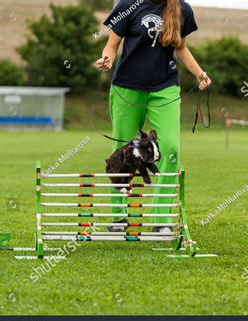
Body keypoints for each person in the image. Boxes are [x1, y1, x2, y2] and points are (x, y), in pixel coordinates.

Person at [96, 0, 212, 233]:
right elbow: (112, 45)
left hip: (165, 87)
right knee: (122, 149)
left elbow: (180, 47)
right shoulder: (127, 5)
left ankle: (161, 219)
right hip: (127, 88)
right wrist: (107, 59)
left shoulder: (182, 9)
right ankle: (118, 218)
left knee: (170, 149)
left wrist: (199, 73)